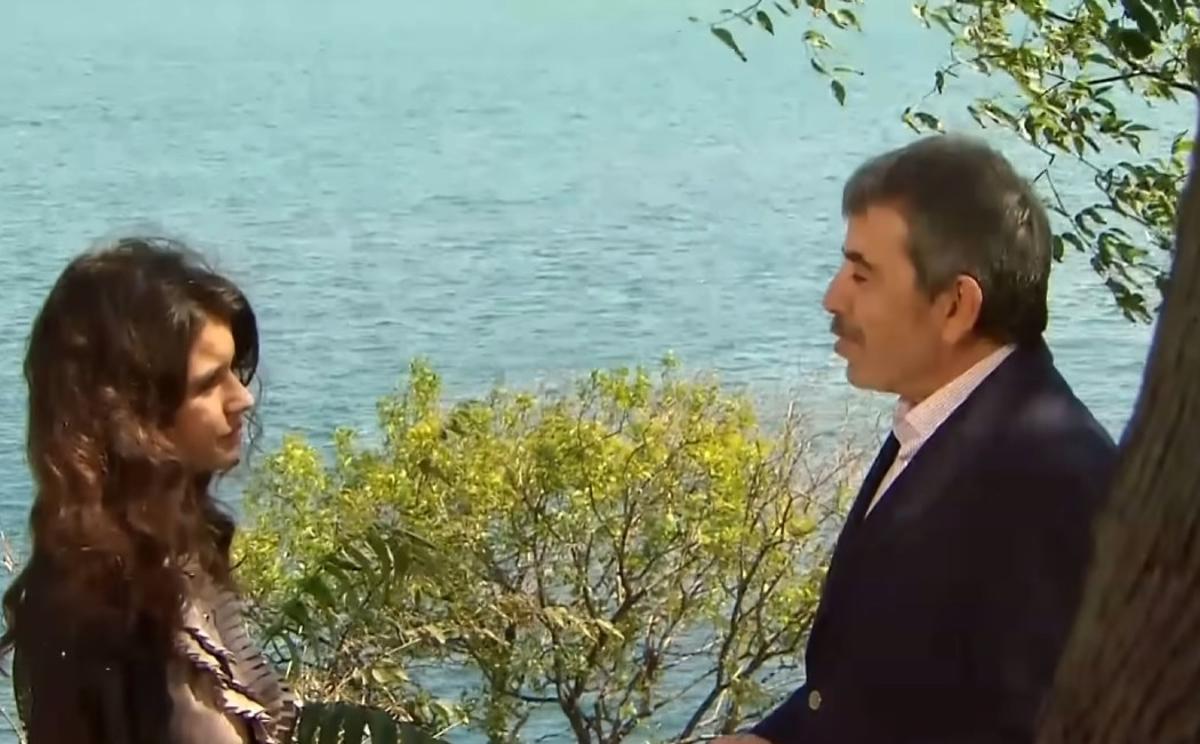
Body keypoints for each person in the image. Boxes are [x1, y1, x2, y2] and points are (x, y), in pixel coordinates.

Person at [732, 135, 1118, 742]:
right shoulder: (945, 423)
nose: (832, 297)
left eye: (862, 275)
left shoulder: (1048, 481)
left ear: (956, 305)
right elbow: (883, 681)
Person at [1, 237, 297, 743]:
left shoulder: (177, 564)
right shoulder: (106, 614)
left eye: (235, 371)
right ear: (132, 412)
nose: (242, 398)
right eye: (209, 383)